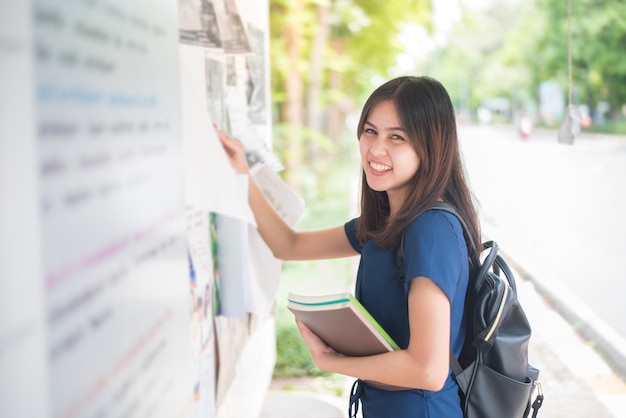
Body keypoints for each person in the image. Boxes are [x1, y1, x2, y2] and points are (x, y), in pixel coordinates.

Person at [217, 75, 481, 418]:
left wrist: (334, 361)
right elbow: (289, 244)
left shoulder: (430, 229)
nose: (375, 149)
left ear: (431, 147)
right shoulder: (387, 220)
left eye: (397, 137)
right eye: (370, 131)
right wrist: (242, 174)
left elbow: (428, 371)